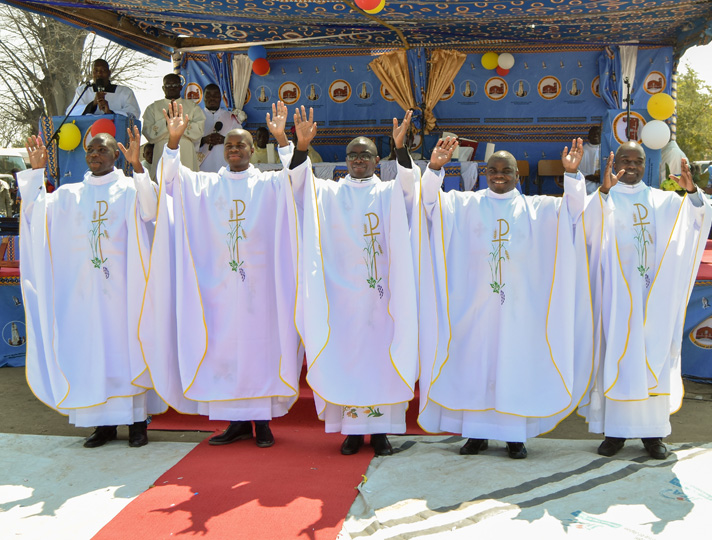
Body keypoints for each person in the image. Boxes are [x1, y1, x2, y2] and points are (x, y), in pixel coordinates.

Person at [416, 140, 593, 459]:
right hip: (474, 307)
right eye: (493, 170)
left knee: (515, 367)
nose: (499, 175)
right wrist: (435, 168)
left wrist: (571, 173)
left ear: (517, 175)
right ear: (484, 173)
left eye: (506, 170)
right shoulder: (464, 204)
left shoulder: (538, 209)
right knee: (475, 367)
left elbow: (574, 209)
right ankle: (475, 434)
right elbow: (429, 203)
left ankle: (514, 436)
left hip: (519, 311)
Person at [139, 101, 300, 448]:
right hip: (221, 293)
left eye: (241, 144)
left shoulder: (270, 185)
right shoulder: (206, 186)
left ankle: (263, 421)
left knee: (261, 351)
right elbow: (171, 181)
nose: (234, 149)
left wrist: (283, 138)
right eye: (229, 145)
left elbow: (298, 182)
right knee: (224, 351)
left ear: (253, 150)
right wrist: (172, 142)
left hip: (262, 290)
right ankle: (237, 423)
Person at [18, 126, 162, 448]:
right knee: (93, 354)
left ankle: (138, 423)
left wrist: (138, 166)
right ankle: (103, 425)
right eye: (91, 151)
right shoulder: (70, 195)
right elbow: (35, 215)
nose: (95, 156)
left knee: (125, 354)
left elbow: (151, 211)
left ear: (116, 156)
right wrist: (36, 173)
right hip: (84, 297)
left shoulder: (128, 189)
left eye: (103, 151)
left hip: (123, 294)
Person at [288, 107, 418, 456]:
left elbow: (412, 187)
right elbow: (298, 186)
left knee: (380, 358)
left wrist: (401, 147)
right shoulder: (328, 193)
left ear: (378, 160)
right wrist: (301, 147)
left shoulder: (388, 192)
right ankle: (351, 430)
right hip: (342, 298)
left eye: (365, 154)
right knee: (347, 356)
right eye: (352, 155)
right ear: (344, 160)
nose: (358, 159)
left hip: (382, 298)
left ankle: (379, 432)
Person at [579, 141, 712, 459]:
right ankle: (615, 434)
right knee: (618, 357)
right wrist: (604, 194)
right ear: (613, 164)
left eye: (637, 160)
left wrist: (693, 192)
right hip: (615, 299)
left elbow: (698, 219)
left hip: (654, 300)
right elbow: (584, 230)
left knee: (654, 357)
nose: (631, 165)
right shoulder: (602, 199)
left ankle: (653, 435)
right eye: (624, 159)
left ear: (645, 165)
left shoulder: (663, 201)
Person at [142, 73, 205, 180]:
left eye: (175, 85)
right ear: (163, 88)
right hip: (162, 148)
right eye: (168, 86)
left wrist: (181, 123)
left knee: (186, 185)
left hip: (185, 150)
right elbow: (148, 132)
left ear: (180, 87)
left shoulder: (192, 107)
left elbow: (199, 131)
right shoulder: (153, 108)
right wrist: (166, 123)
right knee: (162, 183)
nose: (171, 88)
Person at [65, 58, 141, 118]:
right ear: (92, 73)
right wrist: (93, 104)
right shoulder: (83, 90)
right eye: (96, 71)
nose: (99, 74)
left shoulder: (125, 92)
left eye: (103, 70)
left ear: (109, 73)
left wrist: (110, 113)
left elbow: (134, 114)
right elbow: (71, 113)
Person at [199, 83, 241, 173]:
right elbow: (188, 142)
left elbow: (241, 140)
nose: (212, 98)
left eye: (215, 96)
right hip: (201, 167)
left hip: (225, 166)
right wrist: (203, 140)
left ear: (220, 98)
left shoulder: (230, 117)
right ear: (203, 98)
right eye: (208, 95)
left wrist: (225, 140)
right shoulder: (196, 117)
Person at [578, 125, 601, 194]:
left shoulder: (606, 150)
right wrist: (588, 176)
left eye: (598, 133)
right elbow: (577, 170)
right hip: (586, 182)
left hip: (602, 182)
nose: (595, 135)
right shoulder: (582, 151)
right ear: (588, 136)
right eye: (593, 134)